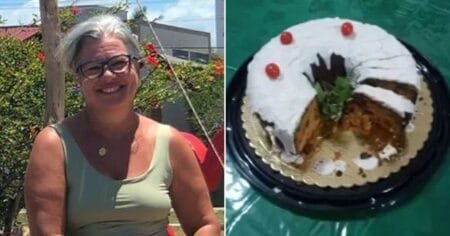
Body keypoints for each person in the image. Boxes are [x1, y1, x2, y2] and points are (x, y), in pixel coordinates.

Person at [24, 15, 220, 235]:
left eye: (118, 63)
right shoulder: (54, 145)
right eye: (92, 67)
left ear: (138, 66)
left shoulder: (170, 142)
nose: (108, 75)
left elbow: (204, 224)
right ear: (78, 78)